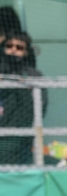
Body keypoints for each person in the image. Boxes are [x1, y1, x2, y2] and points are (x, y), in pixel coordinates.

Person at [0, 31, 45, 165]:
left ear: (26, 52)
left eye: (19, 47)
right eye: (9, 46)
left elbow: (40, 107)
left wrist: (22, 85)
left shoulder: (33, 75)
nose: (13, 50)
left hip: (19, 136)